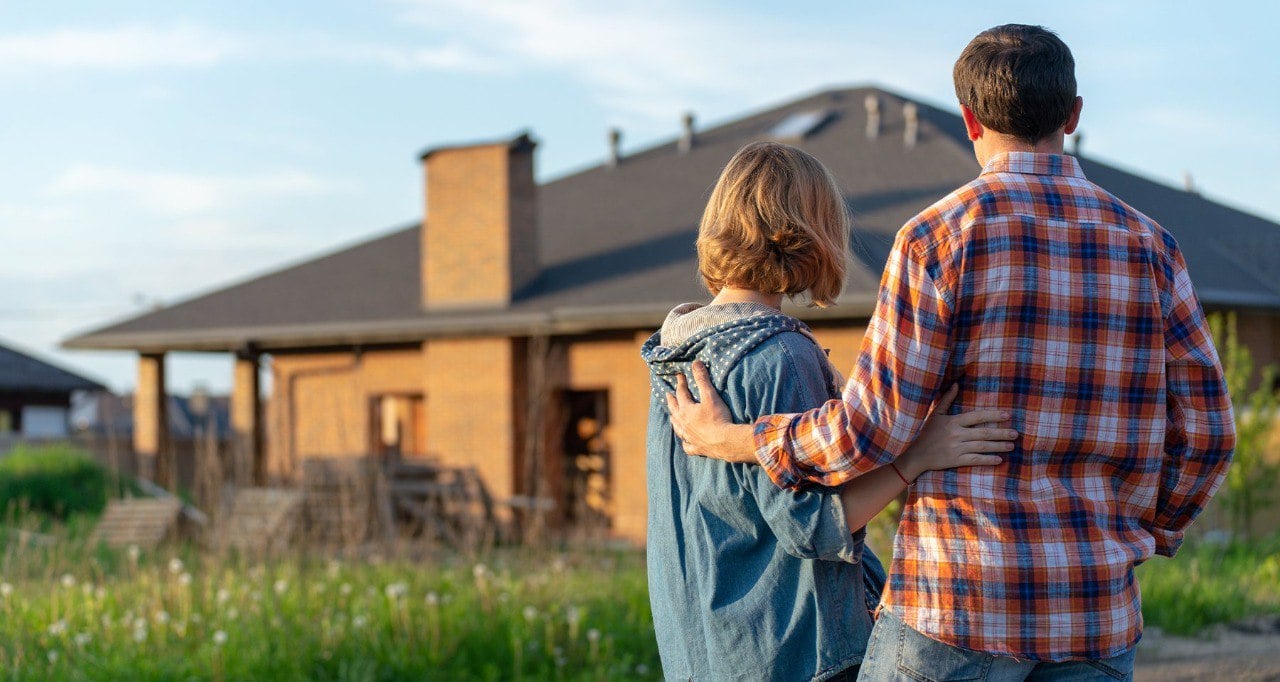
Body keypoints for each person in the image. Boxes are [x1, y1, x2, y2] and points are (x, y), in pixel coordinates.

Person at [666, 25, 1235, 680]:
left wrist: (736, 440)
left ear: (969, 119)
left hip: (956, 604)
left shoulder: (935, 240)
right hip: (1096, 612)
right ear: (1074, 115)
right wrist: (1146, 533)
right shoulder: (1153, 248)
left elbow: (867, 429)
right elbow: (1209, 437)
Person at [643, 141, 1014, 681]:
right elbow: (812, 529)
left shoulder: (673, 355)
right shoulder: (779, 355)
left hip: (700, 655)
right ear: (811, 231)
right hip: (791, 655)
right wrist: (918, 458)